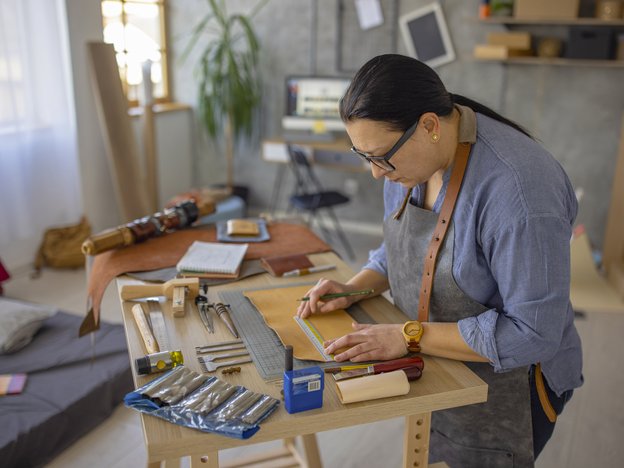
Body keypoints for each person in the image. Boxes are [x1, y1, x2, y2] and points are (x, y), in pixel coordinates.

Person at [297, 54, 583, 467]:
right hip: (438, 366)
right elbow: (399, 249)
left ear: (430, 126)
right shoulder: (405, 162)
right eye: (364, 157)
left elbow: (534, 333)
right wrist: (355, 287)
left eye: (380, 157)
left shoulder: (519, 191)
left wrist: (408, 336)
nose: (376, 174)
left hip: (514, 383)